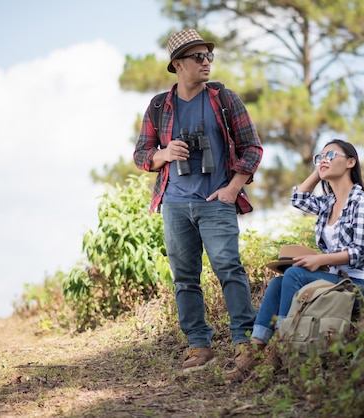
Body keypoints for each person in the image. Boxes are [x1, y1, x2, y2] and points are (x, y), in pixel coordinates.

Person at [133, 29, 263, 373]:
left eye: (209, 56)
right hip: (174, 203)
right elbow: (140, 155)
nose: (206, 62)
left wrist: (233, 188)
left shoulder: (224, 99)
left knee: (229, 269)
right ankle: (198, 345)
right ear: (177, 64)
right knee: (185, 278)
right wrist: (164, 153)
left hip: (216, 199)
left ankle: (243, 340)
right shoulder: (160, 106)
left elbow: (252, 147)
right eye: (197, 57)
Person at [224, 139, 364, 379]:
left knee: (294, 274)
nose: (324, 159)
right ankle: (255, 352)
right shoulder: (329, 203)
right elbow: (298, 199)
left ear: (351, 162)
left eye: (331, 154)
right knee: (278, 283)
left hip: (361, 286)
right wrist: (319, 170)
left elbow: (362, 252)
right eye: (320, 156)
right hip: (335, 280)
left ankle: (282, 346)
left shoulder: (361, 203)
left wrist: (321, 260)